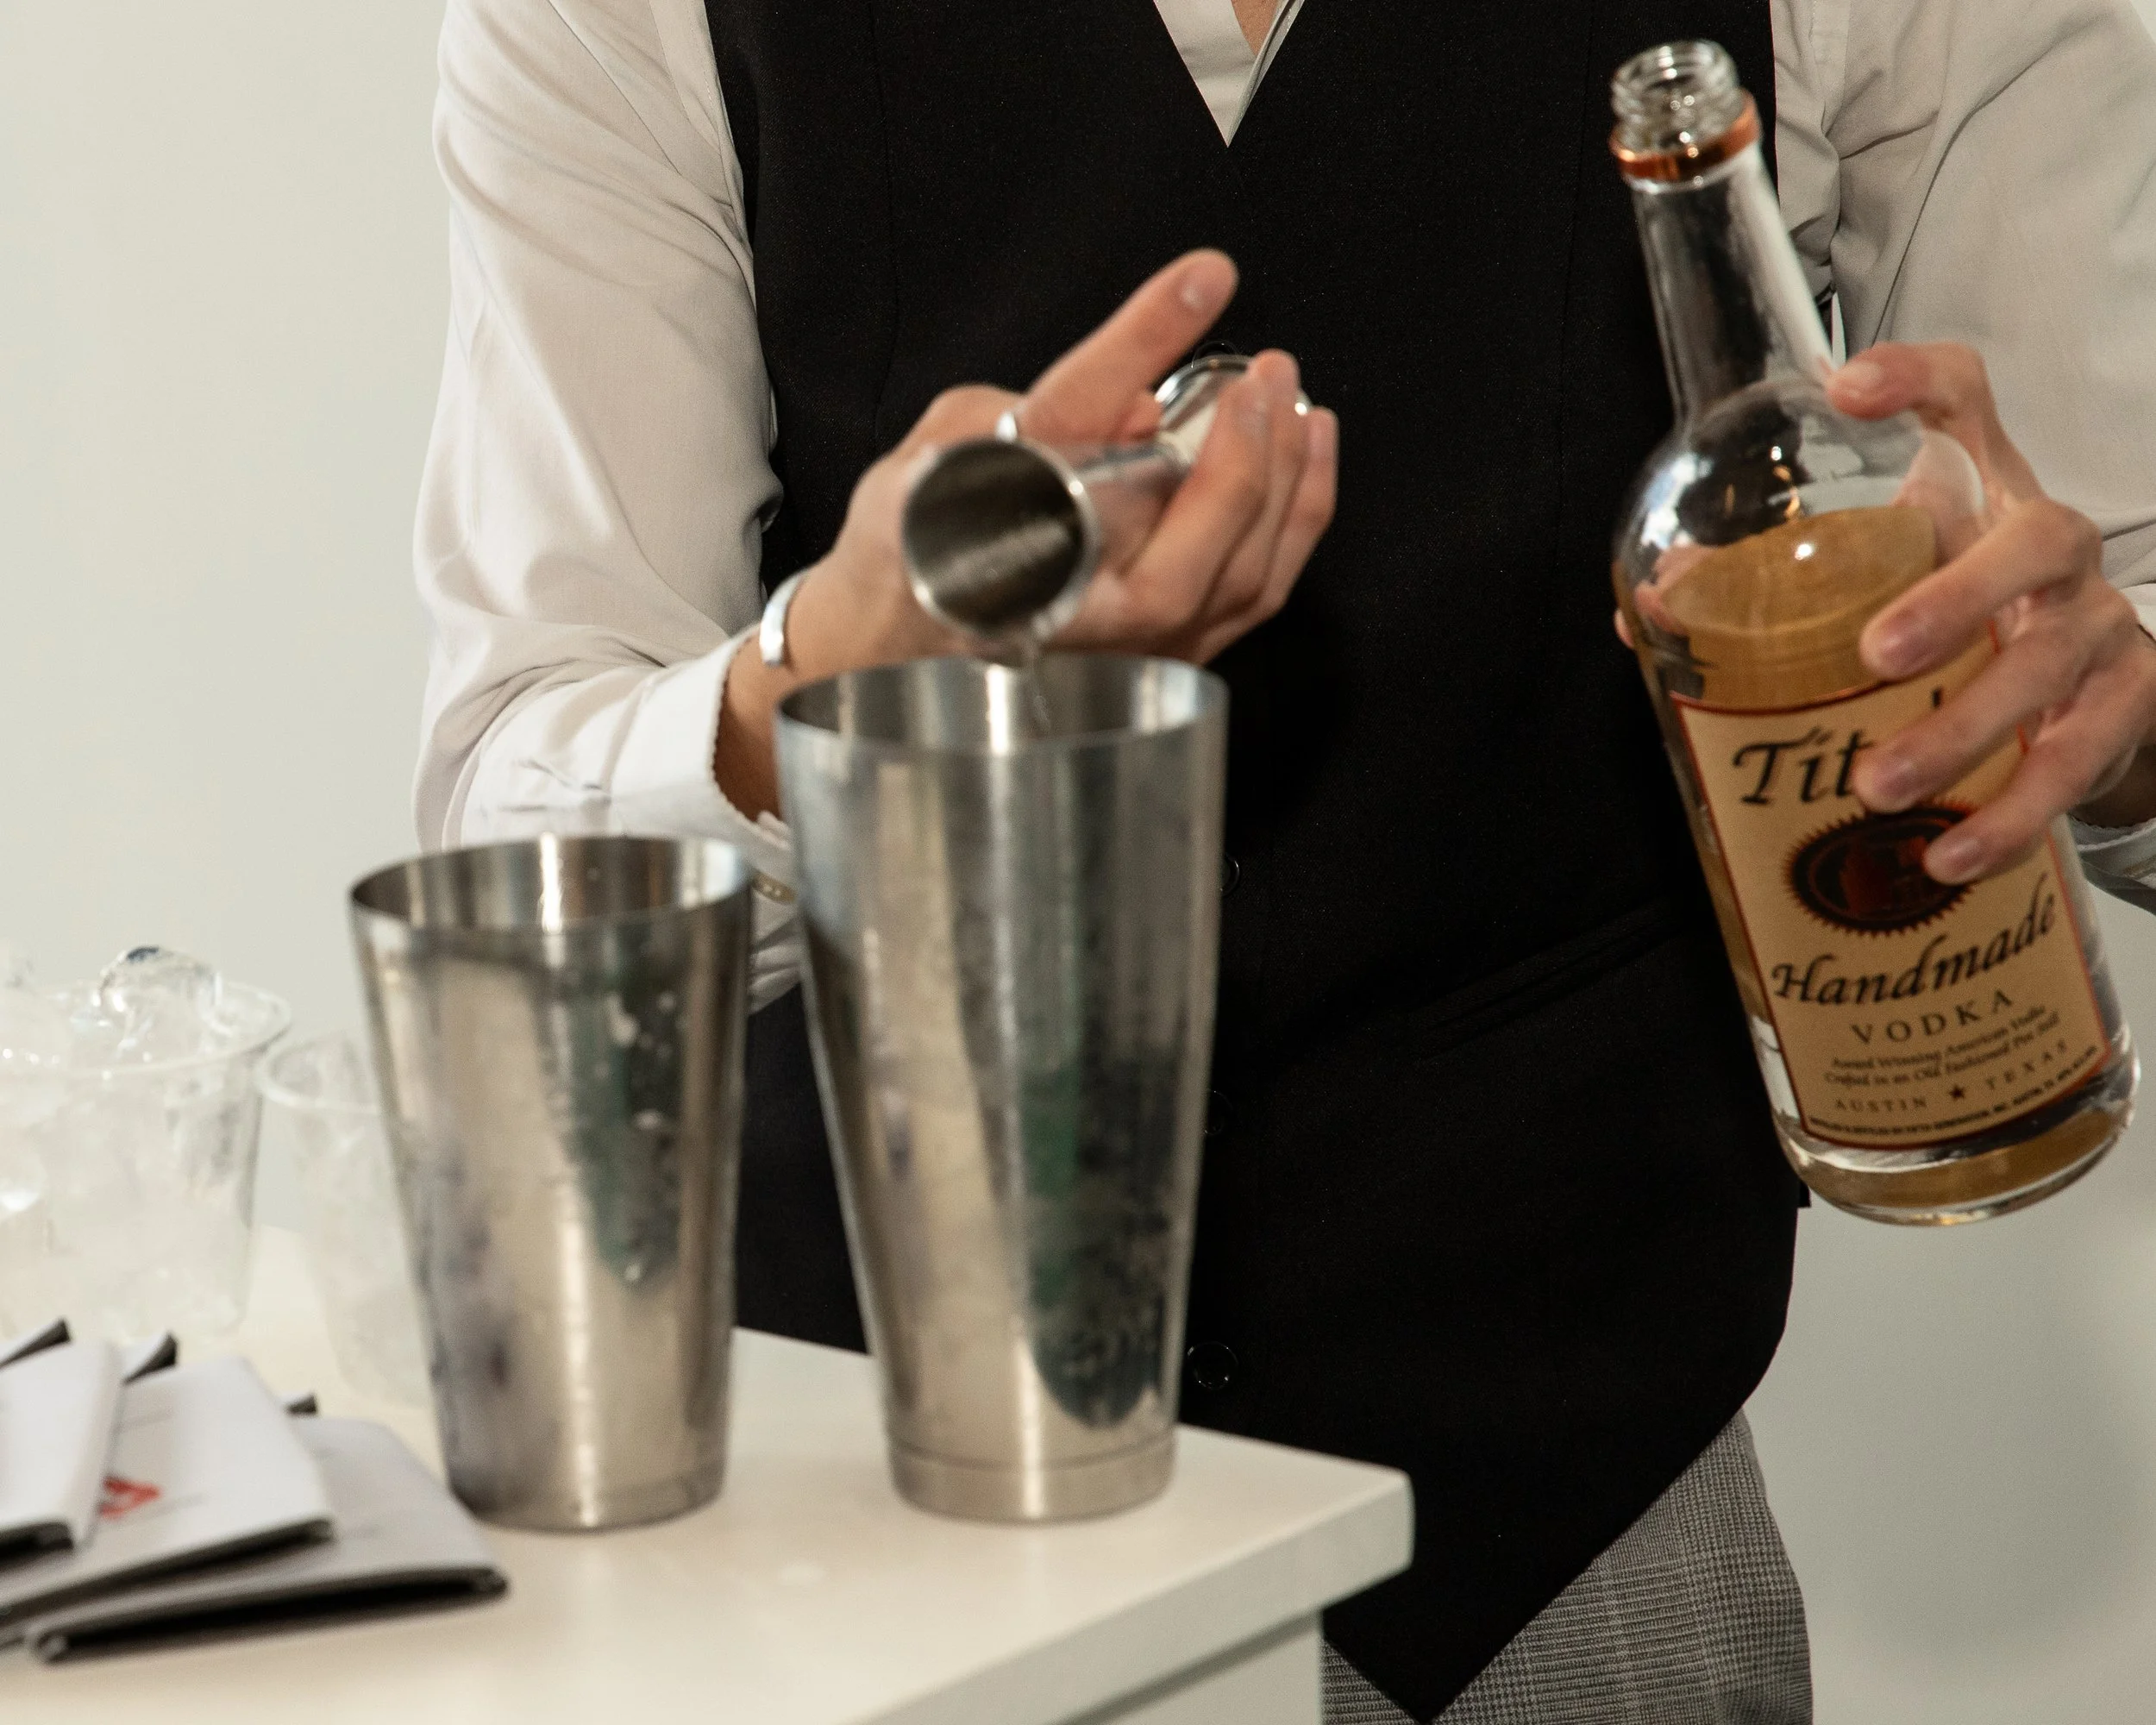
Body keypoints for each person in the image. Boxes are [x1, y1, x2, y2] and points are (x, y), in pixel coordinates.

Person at [411, 0, 2156, 1716]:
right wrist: (815, 694)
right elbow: (513, 798)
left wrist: (2112, 701)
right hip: (884, 1519)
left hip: (1573, 1507)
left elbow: (2118, 583)